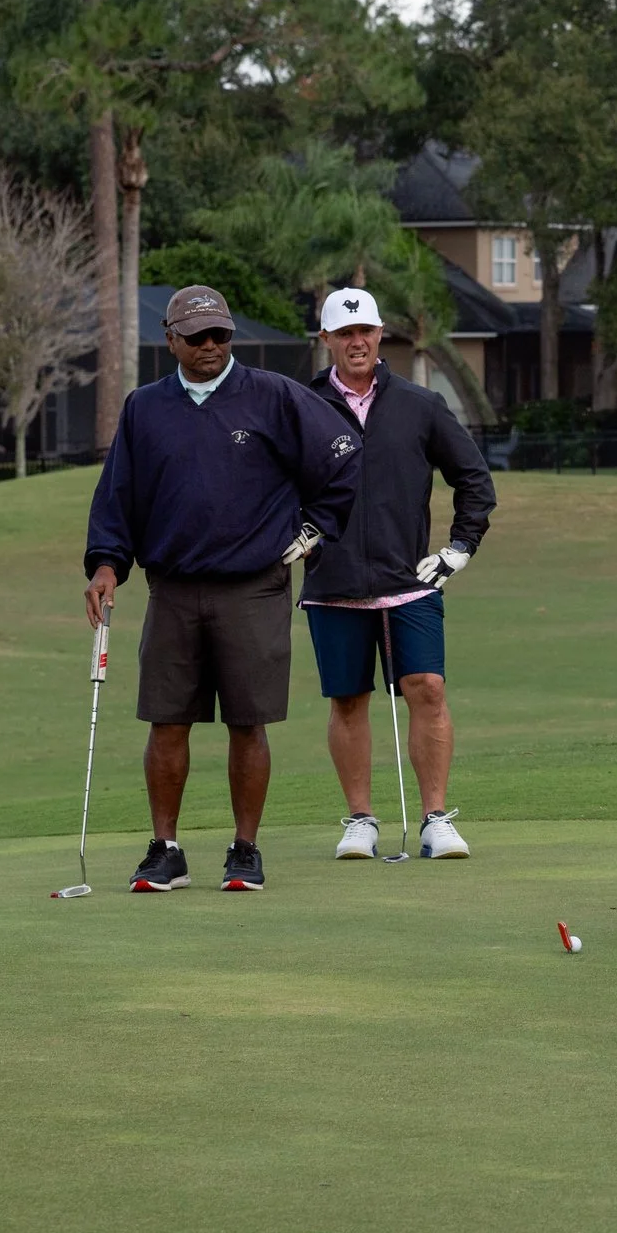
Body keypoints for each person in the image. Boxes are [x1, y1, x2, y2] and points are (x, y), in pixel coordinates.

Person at [83, 285, 361, 893]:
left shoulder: (273, 395)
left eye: (221, 335)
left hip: (253, 587)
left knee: (247, 722)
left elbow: (344, 454)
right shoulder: (144, 408)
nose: (211, 346)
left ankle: (245, 850)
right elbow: (117, 497)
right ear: (171, 340)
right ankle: (166, 851)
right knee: (166, 721)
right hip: (173, 587)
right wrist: (106, 565)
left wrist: (314, 529)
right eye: (197, 336)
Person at [301, 287, 496, 860]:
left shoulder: (420, 404)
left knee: (427, 688)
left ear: (380, 334)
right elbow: (269, 480)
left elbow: (474, 479)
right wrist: (293, 530)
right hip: (333, 582)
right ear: (327, 339)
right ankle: (361, 821)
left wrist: (460, 547)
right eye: (345, 333)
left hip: (410, 581)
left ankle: (436, 820)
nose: (357, 342)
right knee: (347, 699)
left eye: (365, 331)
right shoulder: (302, 405)